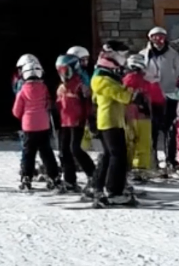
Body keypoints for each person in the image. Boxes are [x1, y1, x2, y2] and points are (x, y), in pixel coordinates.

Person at [90, 41, 134, 206]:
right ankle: (113, 191)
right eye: (123, 56)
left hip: (115, 120)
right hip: (109, 122)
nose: (125, 60)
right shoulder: (101, 78)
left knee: (109, 155)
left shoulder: (109, 76)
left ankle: (98, 185)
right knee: (118, 156)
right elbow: (123, 96)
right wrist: (130, 87)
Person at [12, 59, 60, 190]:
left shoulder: (22, 90)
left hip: (28, 126)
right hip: (43, 125)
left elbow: (16, 111)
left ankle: (27, 177)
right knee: (47, 152)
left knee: (29, 153)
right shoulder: (44, 88)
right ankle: (54, 176)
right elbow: (48, 104)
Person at [142, 27, 179, 173]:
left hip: (169, 94)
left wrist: (177, 85)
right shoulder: (144, 55)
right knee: (152, 129)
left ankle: (170, 160)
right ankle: (152, 160)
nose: (159, 40)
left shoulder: (173, 55)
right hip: (151, 97)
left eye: (161, 37)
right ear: (150, 38)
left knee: (170, 129)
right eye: (155, 37)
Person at [55, 54, 95, 192]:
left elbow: (88, 103)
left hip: (77, 121)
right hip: (64, 121)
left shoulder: (79, 85)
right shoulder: (62, 87)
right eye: (59, 70)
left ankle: (93, 175)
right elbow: (59, 104)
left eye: (65, 70)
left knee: (75, 149)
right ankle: (69, 180)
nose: (62, 73)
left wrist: (90, 118)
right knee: (63, 151)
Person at [123, 53, 165, 178]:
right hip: (136, 115)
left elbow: (154, 95)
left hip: (140, 114)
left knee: (138, 142)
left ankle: (136, 167)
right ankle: (135, 167)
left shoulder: (139, 79)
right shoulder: (132, 78)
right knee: (137, 142)